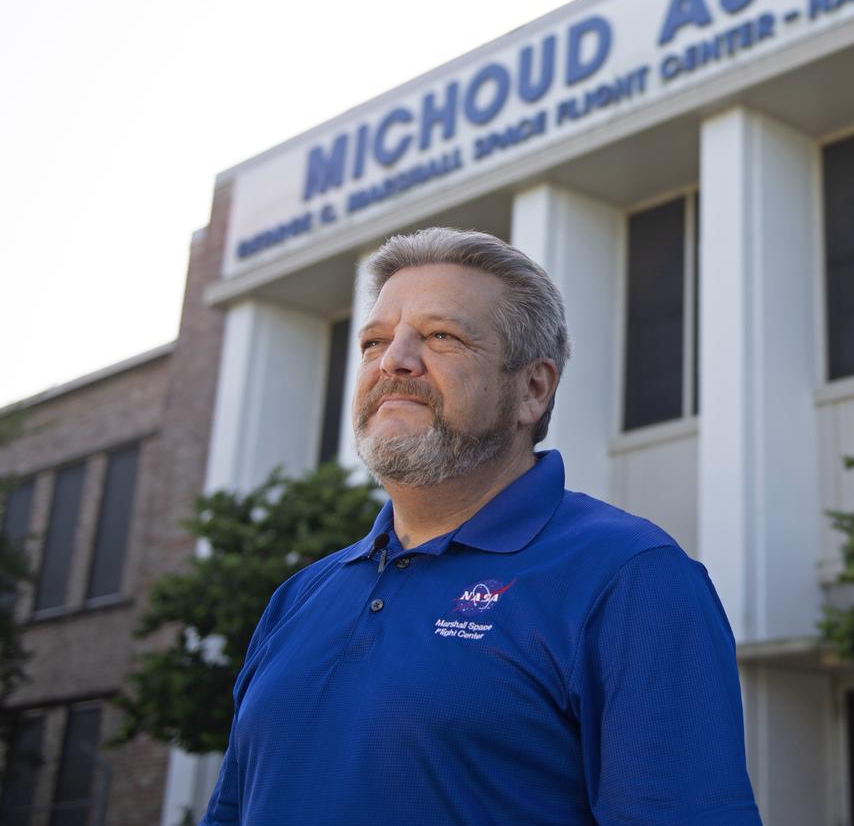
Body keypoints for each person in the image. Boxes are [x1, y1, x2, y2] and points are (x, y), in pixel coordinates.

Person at [199, 227, 761, 825]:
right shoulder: (300, 597)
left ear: (533, 389)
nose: (394, 361)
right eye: (374, 342)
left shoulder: (629, 578)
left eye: (441, 337)